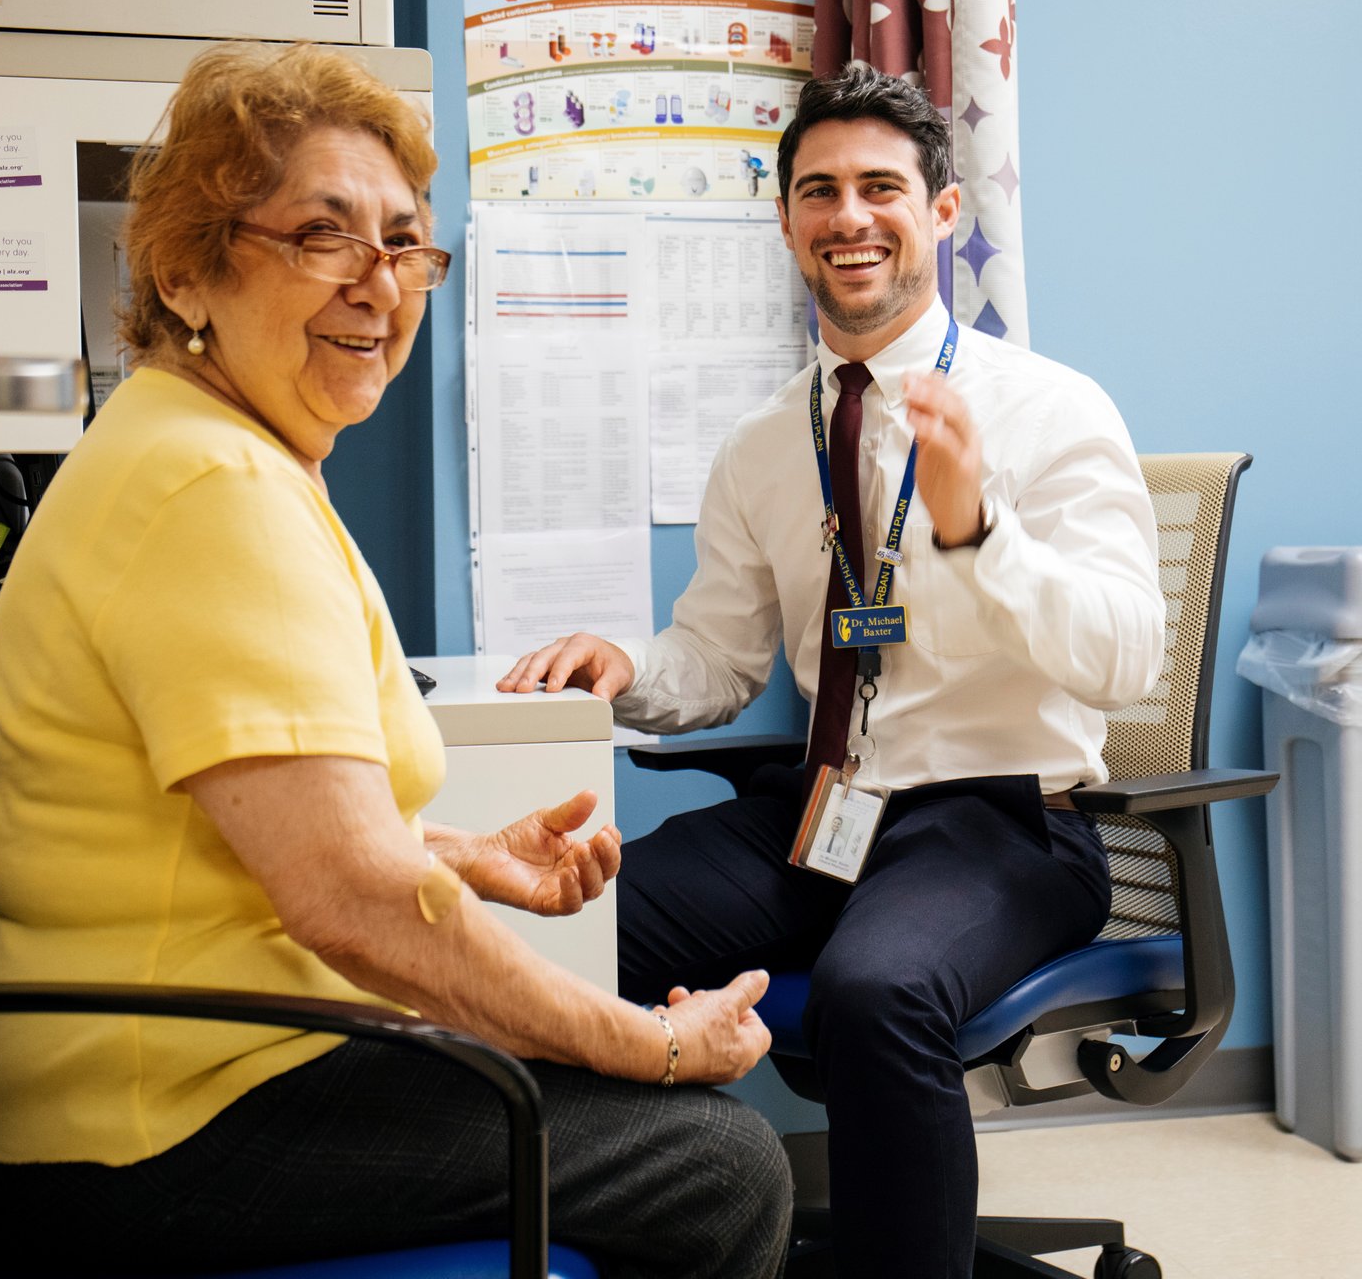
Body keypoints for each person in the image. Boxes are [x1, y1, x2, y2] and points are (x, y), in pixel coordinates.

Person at [0, 41, 791, 1279]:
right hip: (146, 1121)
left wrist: (460, 857)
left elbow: (240, 838)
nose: (380, 285)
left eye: (404, 245)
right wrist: (646, 1047)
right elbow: (343, 898)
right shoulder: (209, 487)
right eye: (324, 237)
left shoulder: (201, 446)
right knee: (715, 1165)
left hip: (157, 1065)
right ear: (188, 269)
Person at [499, 65, 1166, 1279]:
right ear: (787, 221)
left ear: (943, 213)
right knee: (557, 932)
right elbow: (714, 657)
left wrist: (977, 534)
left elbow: (1125, 660)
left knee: (876, 992)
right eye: (820, 191)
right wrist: (623, 667)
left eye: (880, 188)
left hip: (1002, 825)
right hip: (822, 818)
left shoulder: (1052, 411)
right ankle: (652, 1226)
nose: (849, 216)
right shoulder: (764, 443)